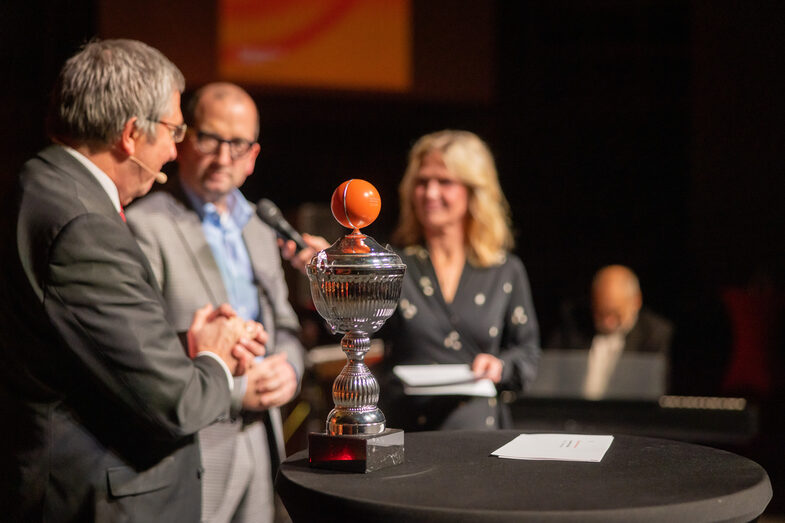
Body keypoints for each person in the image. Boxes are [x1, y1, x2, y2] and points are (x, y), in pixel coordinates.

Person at [0, 39, 266, 522]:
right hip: (97, 498)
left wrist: (185, 344)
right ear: (129, 135)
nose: (173, 148)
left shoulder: (45, 183)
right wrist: (217, 353)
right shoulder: (84, 224)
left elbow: (82, 350)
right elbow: (178, 403)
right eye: (173, 129)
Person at [126, 82, 307, 523]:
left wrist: (289, 370)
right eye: (210, 139)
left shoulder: (263, 227)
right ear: (184, 139)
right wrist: (237, 389)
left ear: (253, 156)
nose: (223, 157)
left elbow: (286, 325)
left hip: (261, 438)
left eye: (238, 144)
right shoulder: (144, 226)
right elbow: (140, 346)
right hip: (192, 442)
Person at [378, 129, 541, 431]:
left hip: (477, 435)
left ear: (473, 191)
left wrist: (500, 366)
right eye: (422, 182)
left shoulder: (505, 270)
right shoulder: (394, 265)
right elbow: (357, 328)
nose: (430, 193)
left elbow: (528, 354)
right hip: (407, 431)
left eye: (445, 182)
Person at [546, 264, 674, 399]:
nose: (608, 322)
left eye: (616, 314)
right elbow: (549, 377)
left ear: (636, 301)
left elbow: (654, 392)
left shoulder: (653, 334)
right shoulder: (573, 323)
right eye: (601, 313)